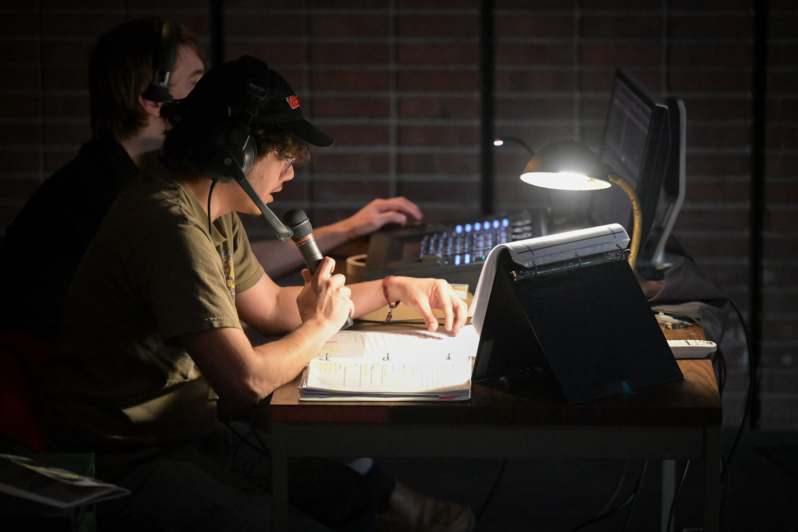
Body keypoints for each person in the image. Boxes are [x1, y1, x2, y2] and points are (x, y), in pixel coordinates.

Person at [41, 55, 474, 532]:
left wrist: (393, 288)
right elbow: (246, 381)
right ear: (235, 156)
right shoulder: (170, 224)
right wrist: (323, 324)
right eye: (283, 158)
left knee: (340, 484)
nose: (289, 175)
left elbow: (270, 305)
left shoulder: (210, 210)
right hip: (127, 459)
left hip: (188, 432)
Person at [0, 16, 422, 341]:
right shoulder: (117, 196)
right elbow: (242, 374)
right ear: (151, 99)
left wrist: (363, 253)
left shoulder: (171, 181)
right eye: (195, 85)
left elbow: (247, 281)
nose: (209, 104)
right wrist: (321, 325)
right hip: (85, 419)